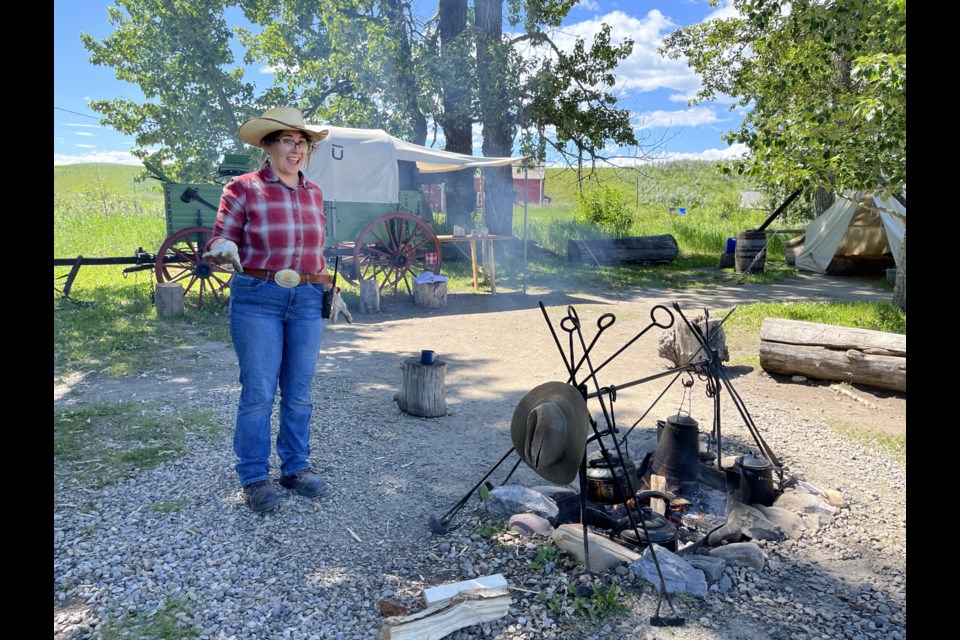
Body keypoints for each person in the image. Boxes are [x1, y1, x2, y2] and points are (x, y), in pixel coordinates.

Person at [203, 106, 333, 513]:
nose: (296, 150)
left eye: (302, 143)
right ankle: (255, 476)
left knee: (299, 394)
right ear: (268, 144)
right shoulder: (241, 188)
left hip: (307, 299)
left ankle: (295, 468)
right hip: (257, 296)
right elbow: (223, 236)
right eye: (287, 141)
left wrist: (330, 286)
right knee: (258, 393)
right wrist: (223, 249)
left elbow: (315, 251)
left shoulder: (314, 193)